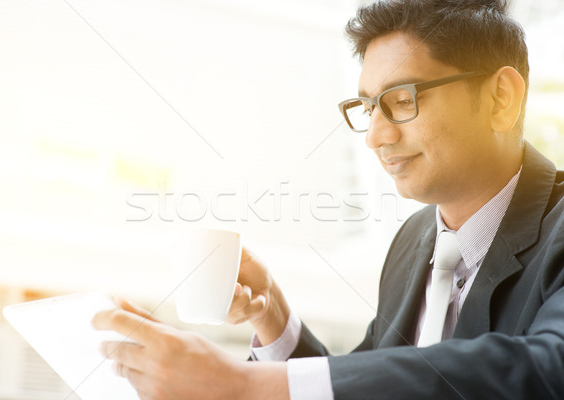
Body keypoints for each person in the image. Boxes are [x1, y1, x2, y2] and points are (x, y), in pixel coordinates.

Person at [92, 0, 564, 398]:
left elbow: (546, 368)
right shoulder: (414, 242)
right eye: (367, 107)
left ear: (502, 98)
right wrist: (275, 316)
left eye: (402, 100)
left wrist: (241, 383)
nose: (375, 136)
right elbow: (366, 382)